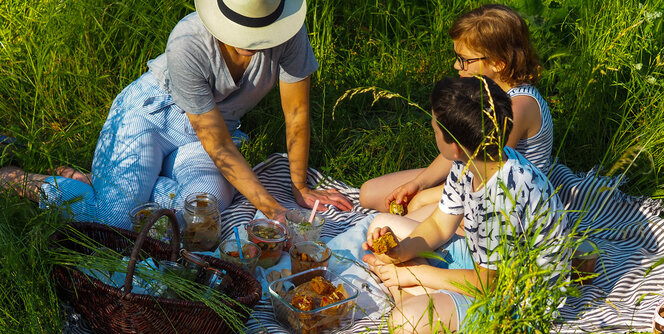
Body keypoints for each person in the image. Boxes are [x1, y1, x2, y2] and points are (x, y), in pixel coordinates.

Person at [0, 0, 352, 229]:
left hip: (214, 132)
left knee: (203, 220)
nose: (253, 39)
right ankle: (18, 179)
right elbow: (219, 147)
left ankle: (110, 185)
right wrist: (274, 209)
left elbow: (297, 113)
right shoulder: (187, 42)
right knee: (115, 219)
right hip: (150, 117)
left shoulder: (288, 34)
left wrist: (300, 186)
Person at [361, 76, 569, 332]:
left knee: (404, 321)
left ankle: (409, 293)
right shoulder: (471, 163)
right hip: (484, 266)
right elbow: (439, 225)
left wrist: (412, 274)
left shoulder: (501, 197)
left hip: (514, 299)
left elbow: (489, 285)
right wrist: (401, 251)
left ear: (456, 147)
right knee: (380, 224)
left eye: (436, 130)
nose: (432, 132)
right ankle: (419, 291)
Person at [359, 4, 553, 221]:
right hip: (466, 177)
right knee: (369, 194)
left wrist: (425, 197)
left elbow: (489, 172)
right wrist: (419, 183)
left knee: (407, 220)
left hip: (501, 199)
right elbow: (460, 148)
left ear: (498, 63)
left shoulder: (518, 106)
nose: (456, 65)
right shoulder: (483, 91)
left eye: (465, 60)